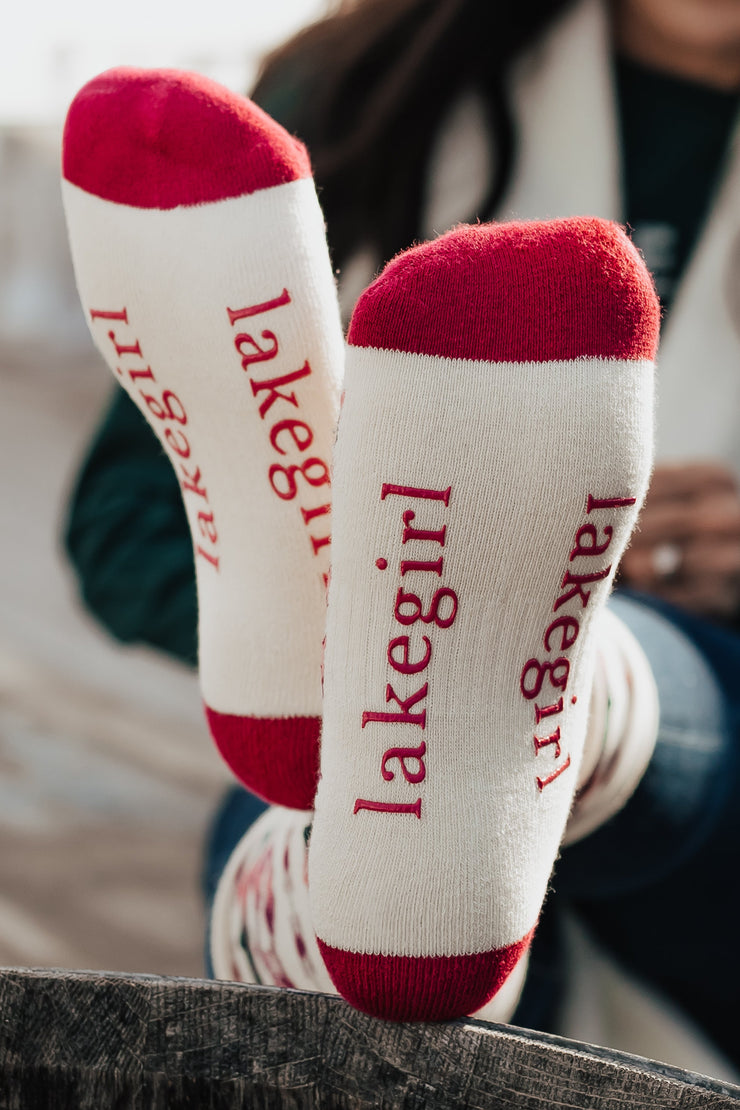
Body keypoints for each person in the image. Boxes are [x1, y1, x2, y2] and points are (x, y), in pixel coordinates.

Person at [62, 0, 740, 1059]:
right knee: (388, 747)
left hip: (708, 821)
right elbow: (121, 524)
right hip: (381, 735)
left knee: (381, 761)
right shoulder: (372, 86)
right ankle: (435, 665)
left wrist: (526, 580)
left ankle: (478, 677)